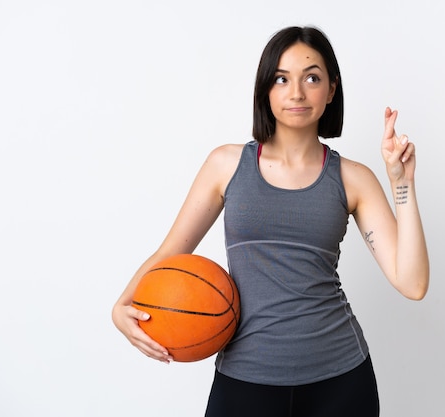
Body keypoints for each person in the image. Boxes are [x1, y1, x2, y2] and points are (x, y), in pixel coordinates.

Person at [112, 25, 429, 417]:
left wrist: (402, 183)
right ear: (266, 89)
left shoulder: (353, 178)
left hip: (341, 380)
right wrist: (122, 305)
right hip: (245, 380)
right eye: (281, 79)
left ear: (331, 89)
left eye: (312, 78)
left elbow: (412, 282)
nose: (296, 92)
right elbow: (170, 253)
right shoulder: (225, 165)